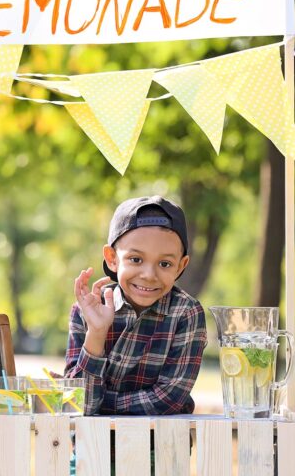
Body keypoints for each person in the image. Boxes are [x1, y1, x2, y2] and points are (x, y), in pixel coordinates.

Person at [64, 196, 207, 472]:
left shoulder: (186, 314)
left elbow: (169, 398)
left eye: (165, 264)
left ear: (181, 265)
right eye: (136, 259)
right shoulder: (86, 310)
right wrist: (96, 332)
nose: (149, 274)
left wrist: (101, 405)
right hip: (92, 448)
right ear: (112, 259)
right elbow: (77, 404)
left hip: (160, 452)